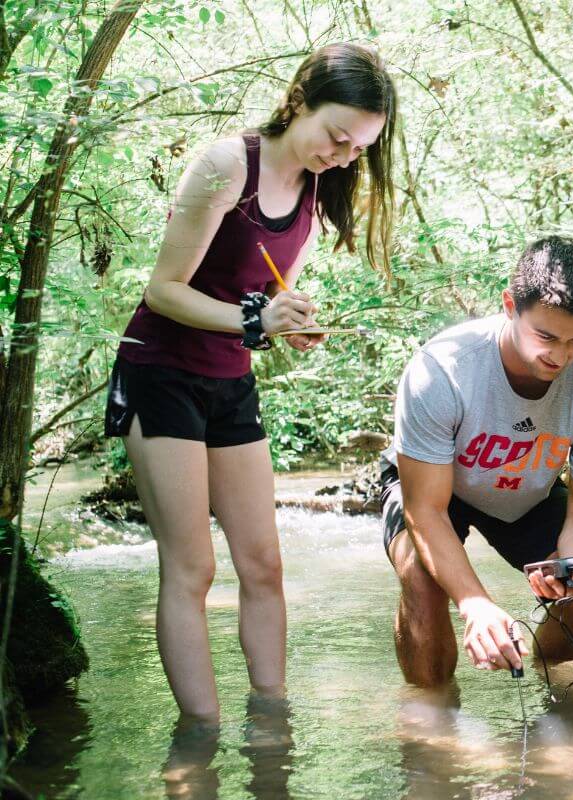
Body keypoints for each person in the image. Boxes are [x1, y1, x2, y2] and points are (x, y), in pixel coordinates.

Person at [104, 43, 397, 721]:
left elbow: (253, 303)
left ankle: (272, 733)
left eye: (359, 147)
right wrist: (253, 316)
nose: (344, 155)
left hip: (229, 379)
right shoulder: (224, 165)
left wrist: (284, 321)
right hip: (161, 371)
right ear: (299, 100)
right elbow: (165, 290)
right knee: (193, 568)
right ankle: (199, 745)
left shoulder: (315, 189)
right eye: (337, 136)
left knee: (263, 563)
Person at [382, 236, 573, 686]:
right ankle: (431, 719)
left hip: (525, 490)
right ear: (509, 305)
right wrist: (475, 604)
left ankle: (554, 692)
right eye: (546, 336)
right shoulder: (442, 370)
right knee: (422, 578)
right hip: (436, 489)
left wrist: (571, 566)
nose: (560, 355)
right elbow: (425, 511)